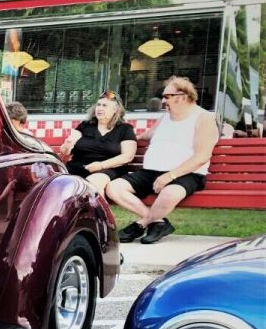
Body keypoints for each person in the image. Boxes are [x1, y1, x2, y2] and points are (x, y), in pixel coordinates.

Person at [105, 76, 219, 244]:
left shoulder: (203, 118)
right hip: (150, 172)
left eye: (166, 96)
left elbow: (202, 156)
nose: (162, 101)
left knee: (169, 193)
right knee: (114, 187)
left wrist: (170, 176)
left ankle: (140, 224)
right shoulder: (165, 118)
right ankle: (159, 223)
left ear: (182, 96)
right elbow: (144, 136)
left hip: (186, 174)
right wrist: (118, 137)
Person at [57, 90, 136, 195]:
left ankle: (98, 211)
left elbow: (127, 156)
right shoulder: (85, 126)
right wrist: (67, 146)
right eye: (98, 105)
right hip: (78, 167)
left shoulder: (124, 129)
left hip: (109, 169)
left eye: (104, 105)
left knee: (92, 184)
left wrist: (101, 165)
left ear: (116, 109)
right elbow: (65, 152)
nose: (100, 108)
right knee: (56, 182)